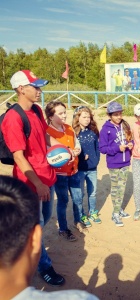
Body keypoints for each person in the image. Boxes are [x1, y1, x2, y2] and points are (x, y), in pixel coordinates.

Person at [1, 70, 64, 286]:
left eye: (39, 86)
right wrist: (37, 184)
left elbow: (43, 138)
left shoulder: (36, 110)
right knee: (35, 229)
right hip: (30, 184)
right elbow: (18, 157)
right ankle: (44, 266)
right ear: (21, 89)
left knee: (42, 221)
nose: (39, 91)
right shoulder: (12, 119)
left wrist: (62, 150)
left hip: (48, 177)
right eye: (35, 87)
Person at [0, 175, 99, 300]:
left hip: (47, 180)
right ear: (36, 238)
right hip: (37, 183)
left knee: (45, 217)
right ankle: (45, 267)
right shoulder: (81, 297)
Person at [45, 100, 87, 241]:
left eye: (65, 112)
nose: (64, 116)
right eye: (60, 113)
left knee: (78, 198)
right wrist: (62, 157)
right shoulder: (47, 133)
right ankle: (63, 228)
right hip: (60, 175)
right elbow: (49, 154)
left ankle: (78, 221)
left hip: (74, 171)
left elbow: (77, 143)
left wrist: (76, 151)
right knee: (63, 201)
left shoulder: (69, 128)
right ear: (51, 117)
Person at [99, 101, 134, 227]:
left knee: (122, 187)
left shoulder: (125, 125)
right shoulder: (105, 130)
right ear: (110, 115)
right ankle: (115, 213)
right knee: (116, 188)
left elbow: (131, 139)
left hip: (126, 162)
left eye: (120, 114)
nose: (119, 117)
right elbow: (102, 148)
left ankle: (118, 210)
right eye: (115, 114)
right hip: (113, 163)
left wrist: (131, 145)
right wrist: (117, 148)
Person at [72, 106, 101, 226]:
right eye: (84, 117)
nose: (87, 119)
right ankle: (81, 215)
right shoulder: (74, 133)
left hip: (92, 168)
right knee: (80, 194)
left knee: (92, 192)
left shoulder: (93, 132)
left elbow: (97, 148)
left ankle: (92, 212)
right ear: (77, 118)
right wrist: (80, 158)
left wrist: (95, 160)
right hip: (79, 170)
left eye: (88, 117)